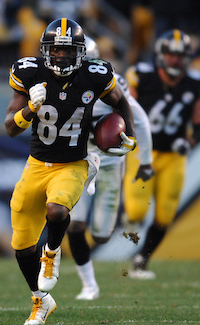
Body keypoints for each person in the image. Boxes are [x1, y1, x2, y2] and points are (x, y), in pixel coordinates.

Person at [5, 18, 137, 325]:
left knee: (57, 208)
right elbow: (11, 127)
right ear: (46, 50)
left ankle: (51, 252)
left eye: (68, 51)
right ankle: (41, 301)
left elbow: (122, 104)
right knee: (22, 247)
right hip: (37, 164)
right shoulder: (28, 73)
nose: (62, 56)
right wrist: (29, 110)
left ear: (81, 52)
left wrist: (128, 132)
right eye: (57, 50)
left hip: (75, 162)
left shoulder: (95, 75)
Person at [67, 36, 154, 301]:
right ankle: (88, 284)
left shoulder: (110, 82)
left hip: (110, 162)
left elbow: (138, 117)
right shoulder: (60, 83)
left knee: (102, 236)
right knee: (75, 225)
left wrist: (146, 160)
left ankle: (120, 217)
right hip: (79, 161)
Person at [123, 29, 200, 279]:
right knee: (137, 212)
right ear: (161, 55)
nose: (175, 60)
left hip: (173, 156)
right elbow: (126, 111)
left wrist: (189, 142)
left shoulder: (197, 83)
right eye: (171, 54)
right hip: (143, 152)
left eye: (180, 55)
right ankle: (127, 222)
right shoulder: (141, 76)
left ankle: (141, 260)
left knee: (165, 215)